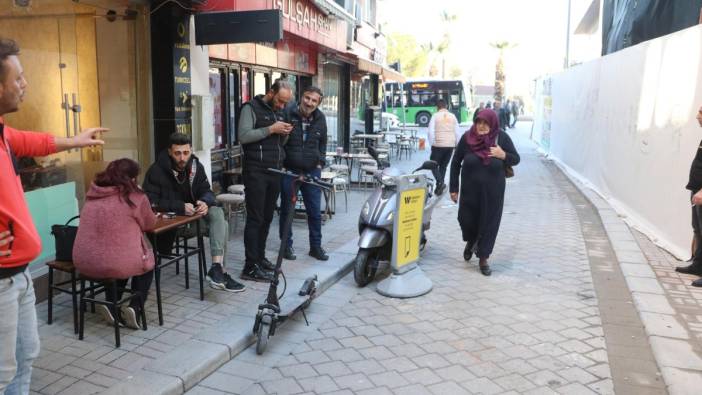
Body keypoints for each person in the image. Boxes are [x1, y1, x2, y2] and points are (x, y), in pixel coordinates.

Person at [0, 37, 107, 394]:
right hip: (1, 282)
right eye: (18, 78)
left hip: (20, 277)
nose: (24, 84)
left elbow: (34, 141)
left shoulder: (2, 133)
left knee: (24, 358)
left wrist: (76, 141)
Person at [142, 132, 245, 292]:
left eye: (186, 152)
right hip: (171, 226)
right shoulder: (156, 170)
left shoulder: (196, 167)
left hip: (192, 220)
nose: (182, 158)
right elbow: (149, 202)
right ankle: (220, 272)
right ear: (170, 152)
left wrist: (205, 201)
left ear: (190, 150)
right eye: (177, 153)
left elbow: (208, 191)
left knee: (216, 212)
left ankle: (217, 268)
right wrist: (180, 206)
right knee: (222, 224)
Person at [73, 159, 156, 329]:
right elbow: (149, 224)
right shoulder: (135, 197)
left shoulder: (93, 194)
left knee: (119, 259)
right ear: (132, 179)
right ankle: (135, 307)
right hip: (114, 263)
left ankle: (112, 304)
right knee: (146, 264)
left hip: (84, 262)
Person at [449, 108, 520, 276]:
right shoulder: (467, 137)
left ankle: (483, 258)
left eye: (485, 123)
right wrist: (453, 188)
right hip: (469, 191)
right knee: (466, 220)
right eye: (478, 122)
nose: (481, 126)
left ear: (493, 123)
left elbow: (516, 158)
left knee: (489, 224)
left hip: (493, 192)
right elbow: (455, 162)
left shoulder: (501, 137)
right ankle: (471, 241)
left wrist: (503, 155)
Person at [238, 79, 293, 282]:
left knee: (268, 217)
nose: (282, 106)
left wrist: (284, 133)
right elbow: (243, 136)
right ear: (270, 92)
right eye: (280, 101)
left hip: (275, 171)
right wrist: (271, 129)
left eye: (285, 103)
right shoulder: (250, 108)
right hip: (256, 171)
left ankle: (260, 258)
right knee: (255, 218)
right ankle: (249, 266)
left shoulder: (279, 112)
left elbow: (278, 143)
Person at [279, 86, 329, 261]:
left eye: (314, 100)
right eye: (307, 98)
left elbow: (323, 143)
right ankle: (286, 246)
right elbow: (279, 142)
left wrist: (320, 163)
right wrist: (281, 164)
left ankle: (315, 247)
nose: (309, 103)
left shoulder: (321, 118)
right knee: (287, 211)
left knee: (315, 212)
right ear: (302, 97)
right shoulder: (287, 113)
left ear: (318, 103)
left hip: (311, 171)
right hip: (290, 171)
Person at [677, 105, 702, 287]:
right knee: (698, 229)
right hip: (697, 189)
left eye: (701, 112)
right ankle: (698, 266)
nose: (697, 116)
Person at [427, 99, 461, 186]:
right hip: (450, 146)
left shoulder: (435, 116)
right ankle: (440, 186)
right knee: (443, 166)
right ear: (446, 106)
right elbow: (457, 132)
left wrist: (432, 143)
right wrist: (456, 144)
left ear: (437, 107)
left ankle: (440, 182)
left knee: (432, 165)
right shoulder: (453, 116)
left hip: (438, 145)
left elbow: (430, 131)